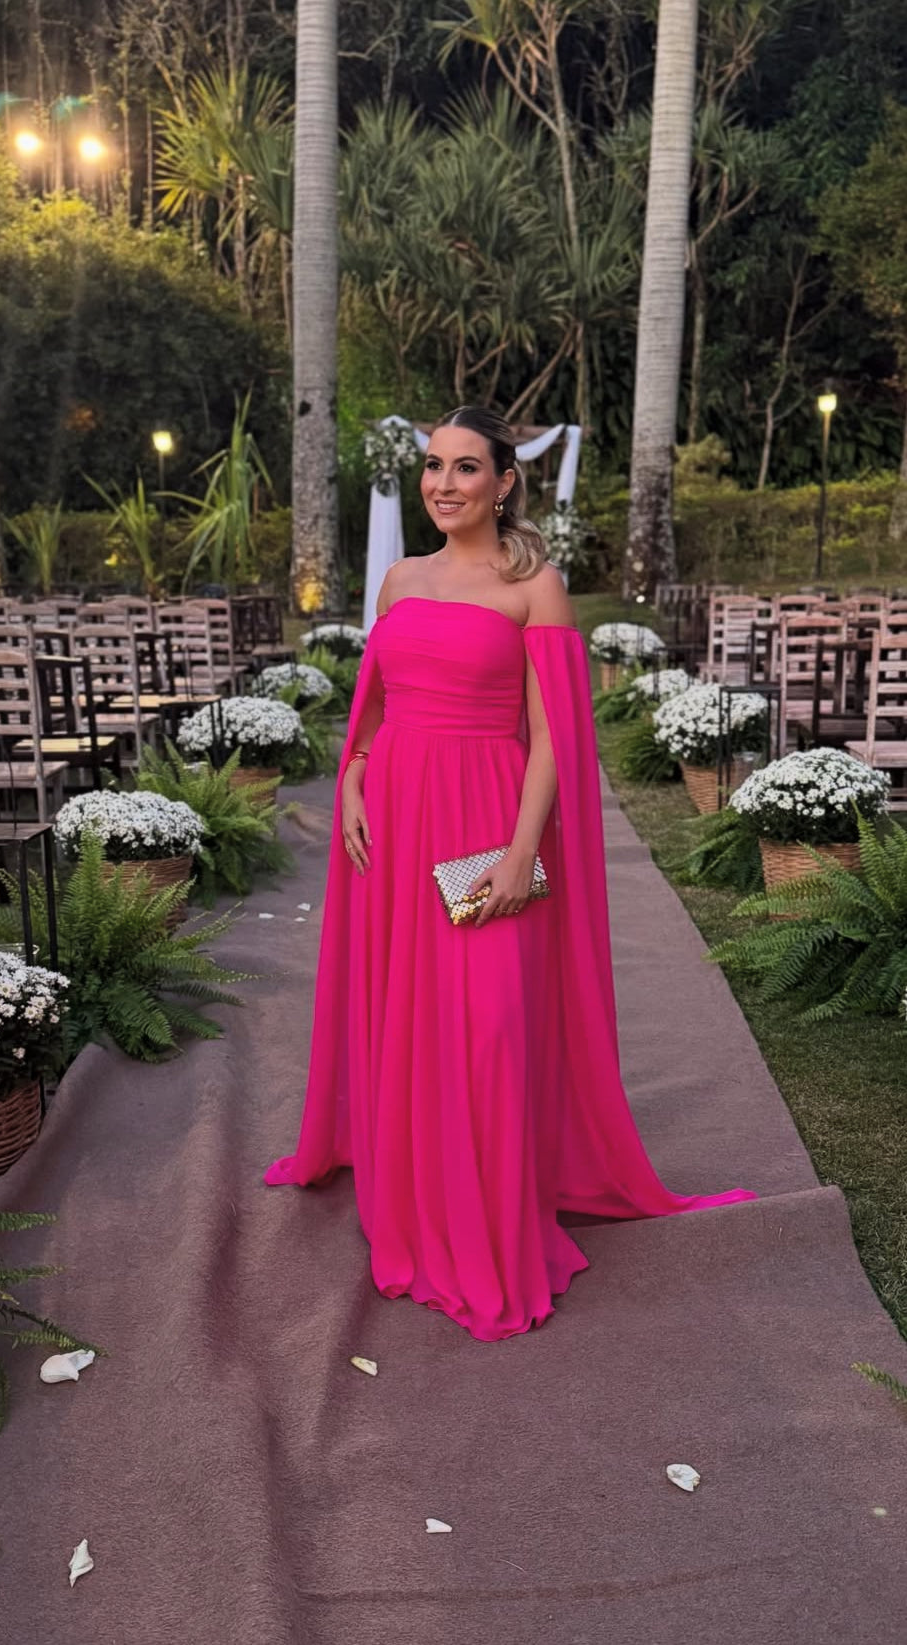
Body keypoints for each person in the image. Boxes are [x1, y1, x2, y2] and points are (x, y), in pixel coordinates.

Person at [265, 405, 755, 1342]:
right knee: (406, 1008)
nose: (443, 484)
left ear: (503, 482)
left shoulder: (536, 586)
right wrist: (355, 776)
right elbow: (374, 708)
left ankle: (487, 1218)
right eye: (433, 466)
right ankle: (415, 1191)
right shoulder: (399, 580)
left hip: (487, 814)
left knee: (490, 1022)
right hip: (395, 819)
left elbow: (551, 736)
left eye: (465, 468)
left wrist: (524, 850)